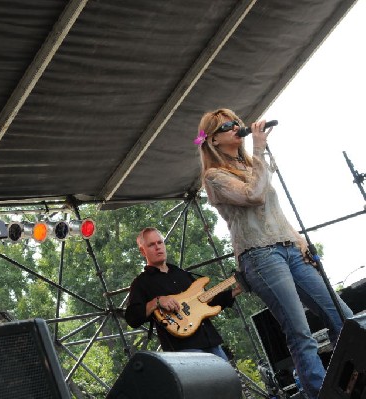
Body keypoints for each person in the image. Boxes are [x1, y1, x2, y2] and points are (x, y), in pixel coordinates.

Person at [196, 108, 353, 399]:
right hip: (260, 255)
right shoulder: (214, 176)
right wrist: (258, 146)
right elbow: (252, 195)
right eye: (227, 125)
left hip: (289, 247)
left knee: (343, 317)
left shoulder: (252, 164)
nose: (236, 126)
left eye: (236, 122)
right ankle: (322, 394)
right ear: (213, 141)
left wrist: (301, 242)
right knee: (300, 332)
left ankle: (353, 382)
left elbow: (274, 212)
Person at [124, 227, 241, 361]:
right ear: (142, 251)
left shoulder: (181, 273)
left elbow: (207, 302)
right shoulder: (141, 283)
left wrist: (235, 290)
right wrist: (156, 302)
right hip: (184, 349)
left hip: (211, 341)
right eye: (151, 245)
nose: (158, 247)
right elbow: (132, 318)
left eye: (160, 242)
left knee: (227, 382)